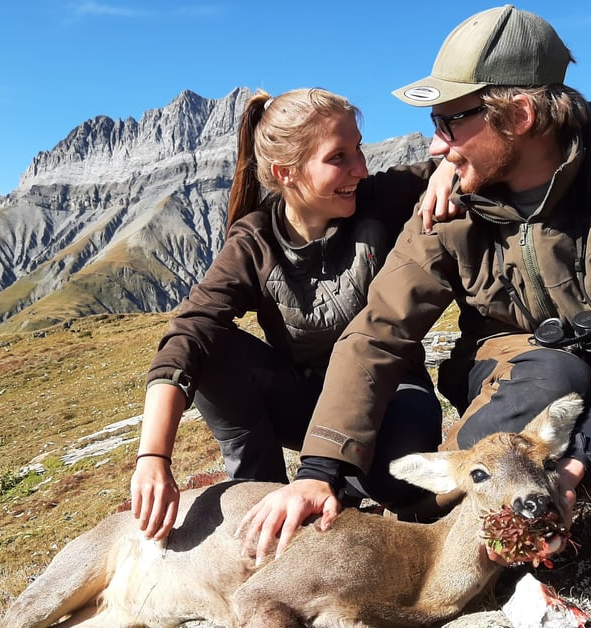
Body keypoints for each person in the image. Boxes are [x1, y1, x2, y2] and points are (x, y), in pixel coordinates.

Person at [240, 5, 591, 563]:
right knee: (548, 377)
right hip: (522, 371)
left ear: (518, 114)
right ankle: (530, 485)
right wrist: (319, 469)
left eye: (448, 123)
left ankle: (562, 484)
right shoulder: (450, 199)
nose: (435, 146)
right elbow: (380, 331)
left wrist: (579, 460)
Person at [131, 88, 458, 540]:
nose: (360, 169)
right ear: (286, 173)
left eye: (359, 150)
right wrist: (153, 458)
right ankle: (258, 495)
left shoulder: (382, 198)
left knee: (395, 483)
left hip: (394, 390)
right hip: (306, 401)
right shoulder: (255, 240)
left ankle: (339, 486)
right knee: (212, 347)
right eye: (339, 157)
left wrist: (447, 172)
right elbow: (189, 332)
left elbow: (470, 157)